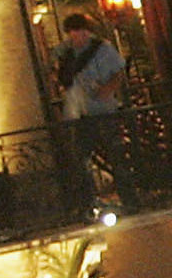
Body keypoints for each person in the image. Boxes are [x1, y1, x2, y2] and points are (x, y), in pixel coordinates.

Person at [54, 11, 127, 205]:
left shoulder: (103, 49)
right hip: (79, 113)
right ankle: (90, 202)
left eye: (79, 32)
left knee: (115, 155)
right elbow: (57, 70)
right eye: (73, 32)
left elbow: (119, 72)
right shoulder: (65, 52)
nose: (77, 36)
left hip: (102, 110)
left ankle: (128, 197)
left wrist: (107, 89)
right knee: (82, 158)